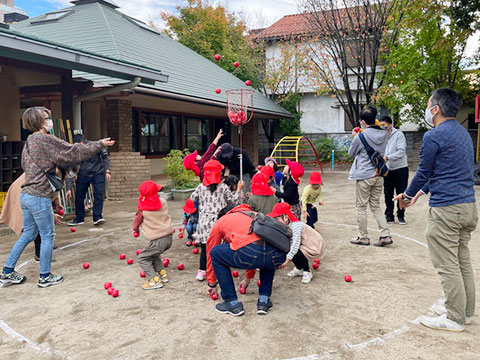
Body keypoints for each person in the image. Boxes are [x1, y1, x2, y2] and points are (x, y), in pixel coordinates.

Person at [0, 107, 114, 288]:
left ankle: (7, 271)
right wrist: (98, 144)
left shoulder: (29, 141)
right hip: (38, 196)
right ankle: (45, 276)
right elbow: (73, 152)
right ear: (38, 121)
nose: (49, 121)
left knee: (28, 234)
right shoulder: (45, 139)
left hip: (26, 195)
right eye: (46, 118)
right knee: (47, 236)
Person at [394, 88, 477, 332]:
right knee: (462, 261)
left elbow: (423, 172)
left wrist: (408, 195)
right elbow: (445, 170)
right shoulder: (463, 134)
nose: (427, 108)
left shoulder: (434, 136)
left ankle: (454, 317)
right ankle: (465, 312)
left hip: (447, 210)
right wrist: (420, 193)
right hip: (468, 206)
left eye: (429, 104)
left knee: (447, 264)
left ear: (436, 109)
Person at [206, 204, 286, 316]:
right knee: (266, 251)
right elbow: (257, 251)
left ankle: (232, 303)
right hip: (276, 256)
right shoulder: (256, 215)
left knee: (215, 253)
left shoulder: (221, 221)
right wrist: (248, 278)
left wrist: (212, 283)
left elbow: (210, 251)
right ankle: (264, 301)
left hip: (250, 252)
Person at [190, 160, 244, 281]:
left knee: (205, 248)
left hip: (204, 222)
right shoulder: (223, 188)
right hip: (219, 222)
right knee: (218, 249)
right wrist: (239, 189)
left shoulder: (201, 187)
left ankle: (202, 271)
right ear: (218, 174)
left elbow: (192, 197)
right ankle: (218, 272)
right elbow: (234, 201)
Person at [348, 106, 392, 247]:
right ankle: (385, 234)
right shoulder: (384, 133)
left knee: (361, 207)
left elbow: (351, 153)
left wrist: (355, 137)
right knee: (376, 206)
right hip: (378, 174)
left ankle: (363, 237)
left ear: (362, 122)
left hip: (364, 175)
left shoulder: (360, 137)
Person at [0, 173, 63, 262]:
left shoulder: (51, 169)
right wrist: (51, 214)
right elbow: (45, 194)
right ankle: (40, 255)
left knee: (32, 232)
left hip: (30, 194)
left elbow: (53, 190)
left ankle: (9, 267)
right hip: (26, 194)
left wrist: (56, 204)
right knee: (33, 231)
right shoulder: (52, 170)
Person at [132, 181, 173, 290]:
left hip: (157, 240)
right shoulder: (163, 202)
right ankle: (163, 274)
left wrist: (135, 230)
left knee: (142, 257)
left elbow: (137, 221)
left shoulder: (143, 210)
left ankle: (154, 280)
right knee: (154, 254)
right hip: (169, 237)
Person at [66, 133, 111, 226]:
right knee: (79, 195)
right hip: (83, 174)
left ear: (84, 142)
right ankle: (79, 218)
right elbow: (71, 170)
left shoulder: (94, 146)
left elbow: (105, 157)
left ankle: (97, 217)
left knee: (98, 194)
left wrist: (107, 171)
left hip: (97, 172)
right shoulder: (74, 152)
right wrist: (68, 188)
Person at [380, 116, 409, 225]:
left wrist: (388, 157)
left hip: (400, 168)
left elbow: (401, 151)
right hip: (388, 168)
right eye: (381, 125)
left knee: (401, 193)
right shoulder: (381, 136)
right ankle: (389, 215)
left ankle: (401, 215)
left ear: (390, 125)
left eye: (384, 125)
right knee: (388, 192)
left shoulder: (399, 135)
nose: (382, 127)